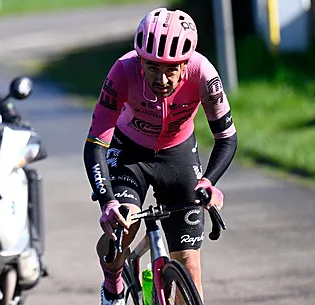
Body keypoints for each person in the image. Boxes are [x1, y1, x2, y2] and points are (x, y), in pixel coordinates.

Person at [82, 8, 237, 305]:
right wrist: (108, 202)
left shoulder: (203, 73)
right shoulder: (122, 71)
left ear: (186, 63)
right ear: (140, 61)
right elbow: (95, 143)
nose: (162, 79)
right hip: (130, 153)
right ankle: (112, 280)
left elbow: (226, 138)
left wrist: (208, 181)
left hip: (177, 154)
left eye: (171, 69)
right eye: (152, 68)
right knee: (125, 222)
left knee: (190, 265)